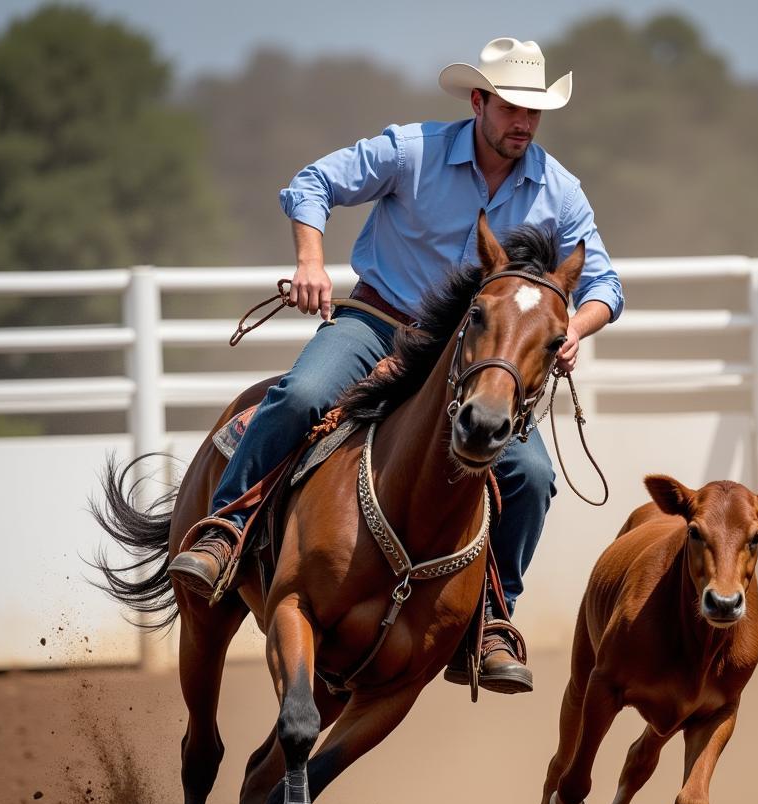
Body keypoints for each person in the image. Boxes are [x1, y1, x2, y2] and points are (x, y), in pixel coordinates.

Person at [168, 37, 624, 694]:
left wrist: (576, 328)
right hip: (379, 326)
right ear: (479, 101)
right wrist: (310, 261)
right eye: (511, 108)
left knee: (530, 474)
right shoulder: (413, 151)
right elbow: (312, 183)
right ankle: (226, 528)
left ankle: (490, 620)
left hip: (473, 357)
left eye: (534, 111)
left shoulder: (559, 189)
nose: (523, 123)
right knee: (301, 396)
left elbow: (605, 283)